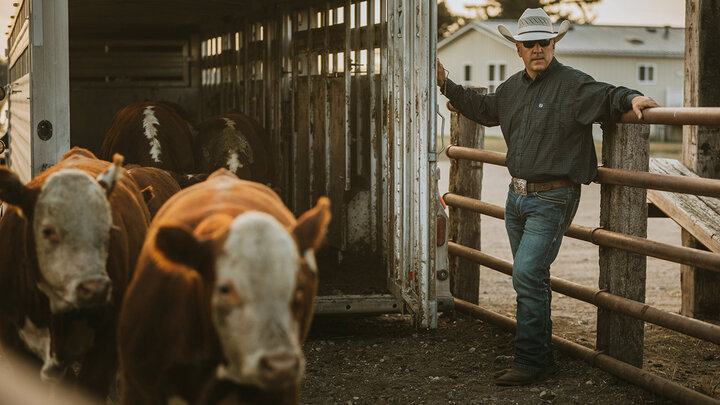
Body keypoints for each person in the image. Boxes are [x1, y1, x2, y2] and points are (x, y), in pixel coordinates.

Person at [437, 8, 659, 386]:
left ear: (554, 45)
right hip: (517, 197)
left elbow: (607, 95)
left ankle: (532, 360)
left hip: (553, 198)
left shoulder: (573, 85)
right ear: (518, 49)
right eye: (529, 43)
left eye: (545, 42)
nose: (538, 48)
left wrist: (632, 98)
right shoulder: (511, 89)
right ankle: (536, 354)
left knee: (526, 273)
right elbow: (484, 108)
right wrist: (446, 84)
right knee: (530, 278)